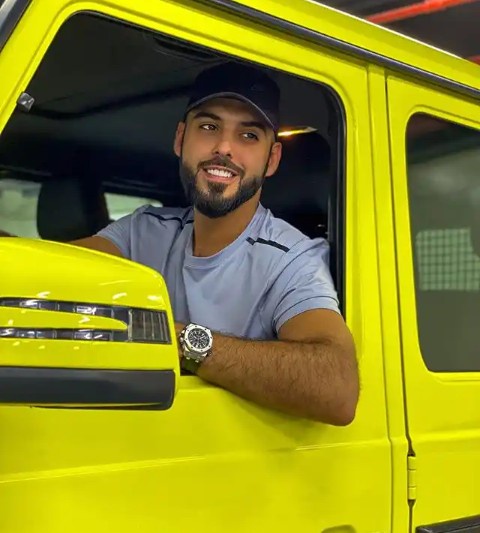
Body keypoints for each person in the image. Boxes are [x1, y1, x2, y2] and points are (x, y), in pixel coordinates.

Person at [11, 62, 360, 424]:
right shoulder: (144, 231)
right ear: (180, 139)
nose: (224, 147)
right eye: (209, 127)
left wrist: (175, 339)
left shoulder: (293, 260)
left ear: (271, 160)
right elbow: (52, 272)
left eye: (248, 135)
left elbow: (337, 389)